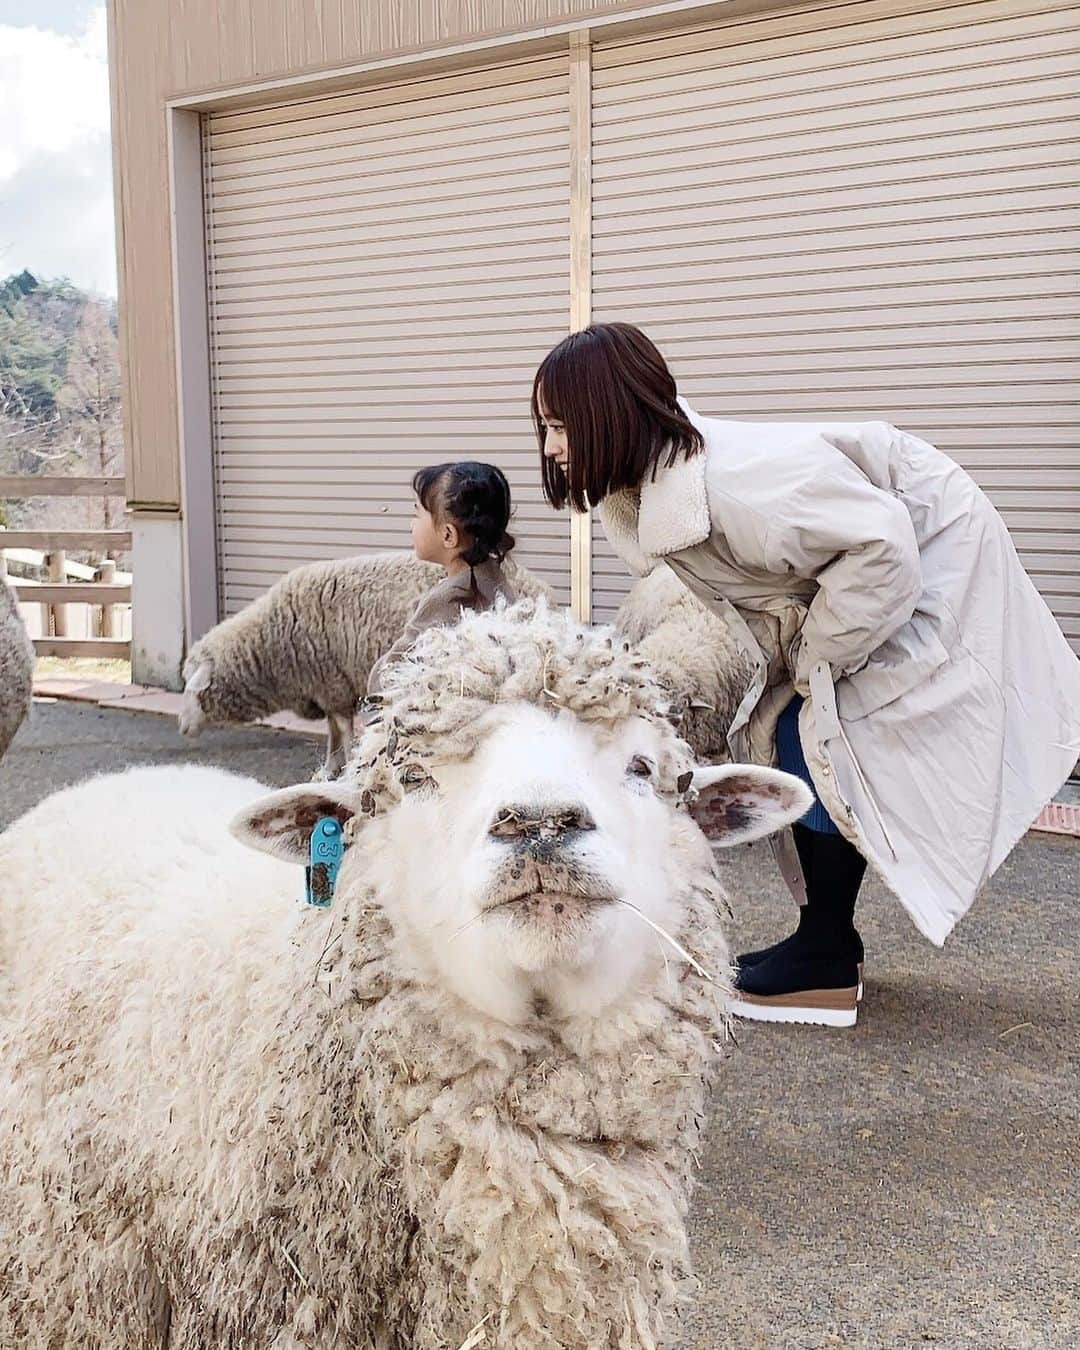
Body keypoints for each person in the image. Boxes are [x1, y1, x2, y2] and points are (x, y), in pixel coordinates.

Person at [532, 321, 1080, 1028]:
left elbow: (880, 552)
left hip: (931, 557)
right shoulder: (658, 489)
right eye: (544, 427)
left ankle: (824, 956)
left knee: (816, 730)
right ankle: (825, 944)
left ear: (608, 413)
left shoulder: (738, 488)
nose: (550, 447)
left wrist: (818, 654)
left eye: (559, 425)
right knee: (796, 727)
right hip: (880, 563)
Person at [366, 461, 517, 697]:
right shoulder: (498, 584)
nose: (411, 524)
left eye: (416, 513)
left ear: (448, 535)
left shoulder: (448, 600)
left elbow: (385, 680)